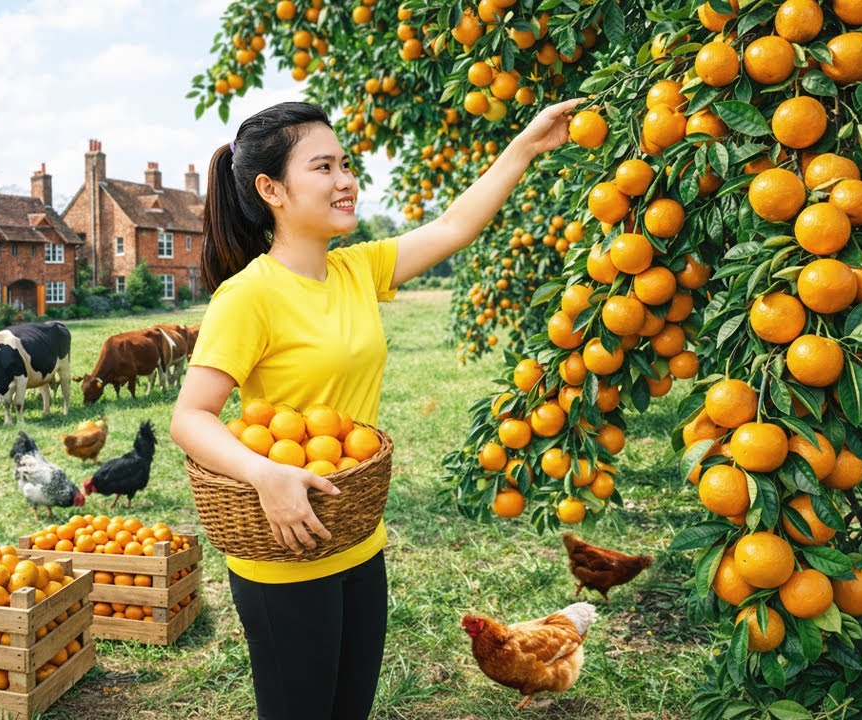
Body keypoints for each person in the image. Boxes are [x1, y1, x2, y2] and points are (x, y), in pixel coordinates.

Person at [170, 97, 584, 720]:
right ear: (270, 189)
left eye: (346, 164)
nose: (345, 181)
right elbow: (190, 416)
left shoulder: (356, 269)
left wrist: (525, 144)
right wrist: (266, 475)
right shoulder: (248, 296)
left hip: (358, 537)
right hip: (287, 549)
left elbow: (451, 227)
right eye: (323, 167)